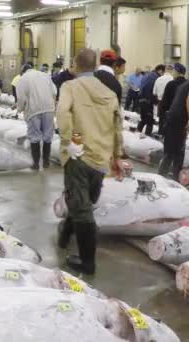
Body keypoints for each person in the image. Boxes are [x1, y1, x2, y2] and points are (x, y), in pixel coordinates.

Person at [56, 48, 124, 275]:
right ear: (95, 67)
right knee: (83, 200)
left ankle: (88, 262)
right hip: (101, 158)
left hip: (79, 154)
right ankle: (65, 236)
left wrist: (69, 141)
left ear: (75, 65)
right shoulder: (109, 92)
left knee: (82, 207)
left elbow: (63, 113)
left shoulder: (70, 87)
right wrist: (116, 155)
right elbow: (117, 126)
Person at [16, 63, 57, 170]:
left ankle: (36, 164)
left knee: (34, 137)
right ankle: (46, 162)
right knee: (48, 135)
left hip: (34, 110)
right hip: (49, 108)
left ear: (23, 71)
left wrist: (19, 109)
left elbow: (21, 98)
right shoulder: (45, 75)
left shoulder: (22, 79)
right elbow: (54, 91)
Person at [159, 64, 188, 180]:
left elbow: (164, 104)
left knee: (172, 151)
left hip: (172, 120)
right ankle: (170, 177)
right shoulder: (185, 85)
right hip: (178, 121)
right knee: (176, 152)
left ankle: (165, 176)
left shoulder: (178, 85)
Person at [138, 64, 166, 135]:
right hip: (148, 101)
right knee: (150, 121)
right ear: (160, 71)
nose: (162, 75)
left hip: (141, 100)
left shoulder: (148, 75)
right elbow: (151, 91)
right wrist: (156, 101)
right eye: (163, 73)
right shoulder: (155, 77)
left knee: (143, 120)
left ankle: (136, 135)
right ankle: (147, 138)